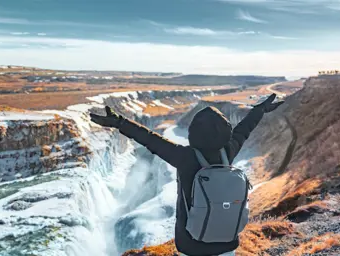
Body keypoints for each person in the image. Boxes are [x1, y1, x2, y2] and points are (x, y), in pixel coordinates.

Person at [90, 93, 284, 256]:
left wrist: (119, 122)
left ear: (193, 134)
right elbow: (244, 129)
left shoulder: (184, 157)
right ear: (225, 133)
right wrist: (260, 110)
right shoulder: (228, 152)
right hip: (227, 242)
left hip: (191, 245)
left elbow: (149, 139)